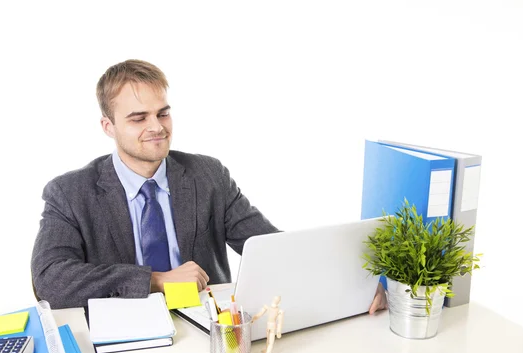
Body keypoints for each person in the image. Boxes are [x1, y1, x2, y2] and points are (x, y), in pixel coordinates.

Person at [31, 59, 388, 313]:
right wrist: (155, 280)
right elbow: (50, 280)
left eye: (163, 112)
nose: (156, 127)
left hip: (209, 328)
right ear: (108, 126)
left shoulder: (207, 175)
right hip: (124, 334)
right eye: (138, 118)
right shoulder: (70, 192)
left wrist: (346, 286)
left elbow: (269, 246)